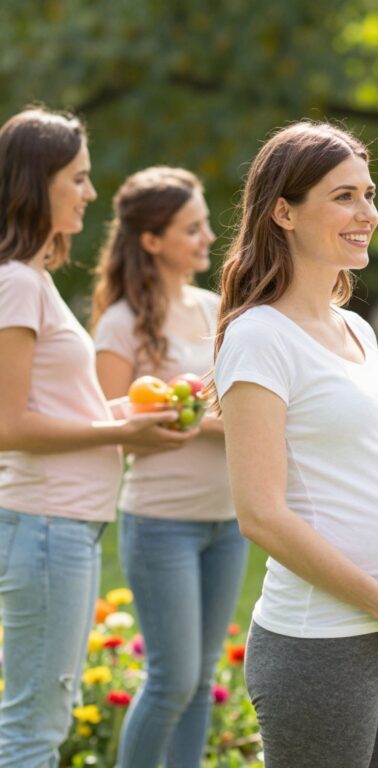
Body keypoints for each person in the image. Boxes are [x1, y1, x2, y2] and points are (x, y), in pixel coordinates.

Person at [212, 120, 378, 768]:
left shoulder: (356, 328)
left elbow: (348, 441)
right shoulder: (258, 337)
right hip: (324, 642)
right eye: (344, 196)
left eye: (369, 194)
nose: (367, 214)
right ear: (284, 212)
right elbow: (260, 514)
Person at [0, 108, 189, 767]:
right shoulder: (17, 283)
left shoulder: (33, 280)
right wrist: (120, 428)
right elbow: (9, 425)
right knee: (34, 730)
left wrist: (134, 413)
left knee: (39, 719)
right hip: (47, 526)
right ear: (37, 182)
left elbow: (51, 406)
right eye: (77, 178)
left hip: (60, 526)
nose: (90, 192)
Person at [90, 167, 248, 768]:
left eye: (205, 224)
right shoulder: (120, 322)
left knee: (201, 681)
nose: (208, 237)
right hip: (162, 524)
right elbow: (110, 427)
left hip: (228, 520)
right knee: (171, 681)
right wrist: (203, 419)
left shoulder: (217, 309)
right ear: (152, 239)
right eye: (192, 228)